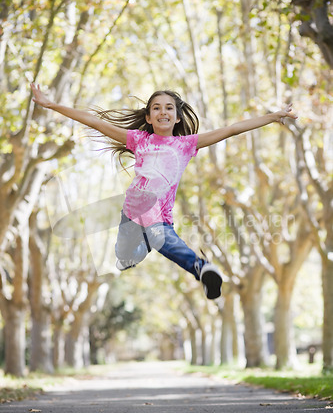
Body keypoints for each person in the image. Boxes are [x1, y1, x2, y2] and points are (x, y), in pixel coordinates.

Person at [30, 83, 297, 299]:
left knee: (165, 241)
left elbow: (232, 129)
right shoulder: (139, 139)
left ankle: (203, 270)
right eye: (156, 108)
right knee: (124, 257)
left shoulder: (187, 145)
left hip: (157, 216)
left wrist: (275, 116)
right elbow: (96, 123)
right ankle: (142, 248)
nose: (162, 112)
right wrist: (51, 104)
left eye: (169, 107)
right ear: (148, 117)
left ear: (177, 116)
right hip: (130, 216)